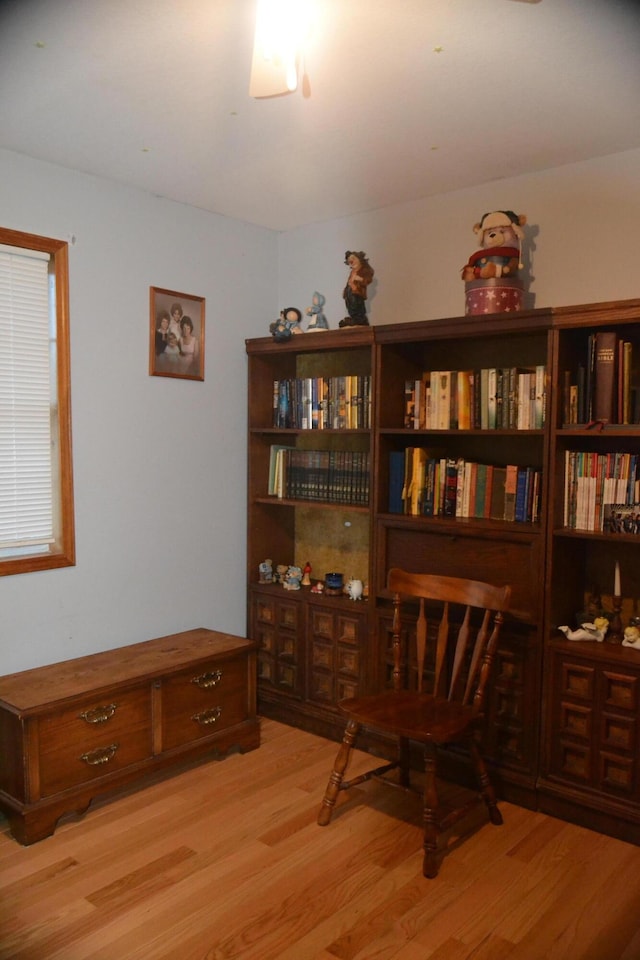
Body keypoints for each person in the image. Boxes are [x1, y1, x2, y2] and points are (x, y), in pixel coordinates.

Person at [340, 250, 374, 327]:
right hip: (350, 292)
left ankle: (359, 319)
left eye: (353, 259)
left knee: (357, 305)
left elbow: (368, 279)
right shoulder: (352, 272)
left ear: (359, 259)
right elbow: (348, 282)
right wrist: (345, 290)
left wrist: (360, 279)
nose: (351, 261)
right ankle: (354, 318)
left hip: (357, 292)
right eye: (349, 261)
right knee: (350, 305)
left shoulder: (364, 270)